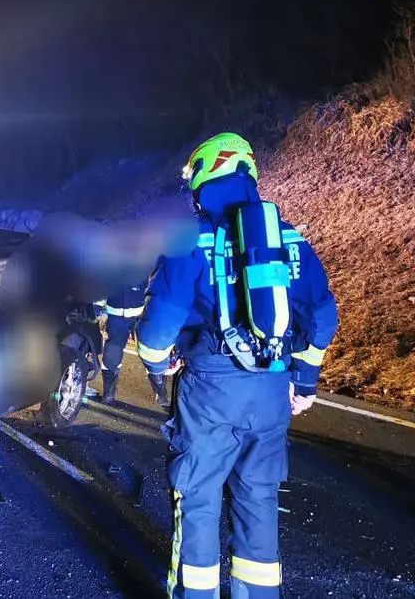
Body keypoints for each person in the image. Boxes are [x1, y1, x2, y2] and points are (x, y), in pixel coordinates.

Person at [134, 132, 339, 598]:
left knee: (199, 496)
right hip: (272, 386)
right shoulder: (286, 235)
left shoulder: (190, 237)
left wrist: (156, 364)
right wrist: (304, 381)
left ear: (205, 174)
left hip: (210, 387)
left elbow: (158, 326)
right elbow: (323, 313)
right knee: (259, 499)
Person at [98, 283, 148, 403]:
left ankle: (162, 394)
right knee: (112, 352)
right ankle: (109, 393)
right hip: (117, 314)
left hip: (141, 314)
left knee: (154, 349)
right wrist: (98, 309)